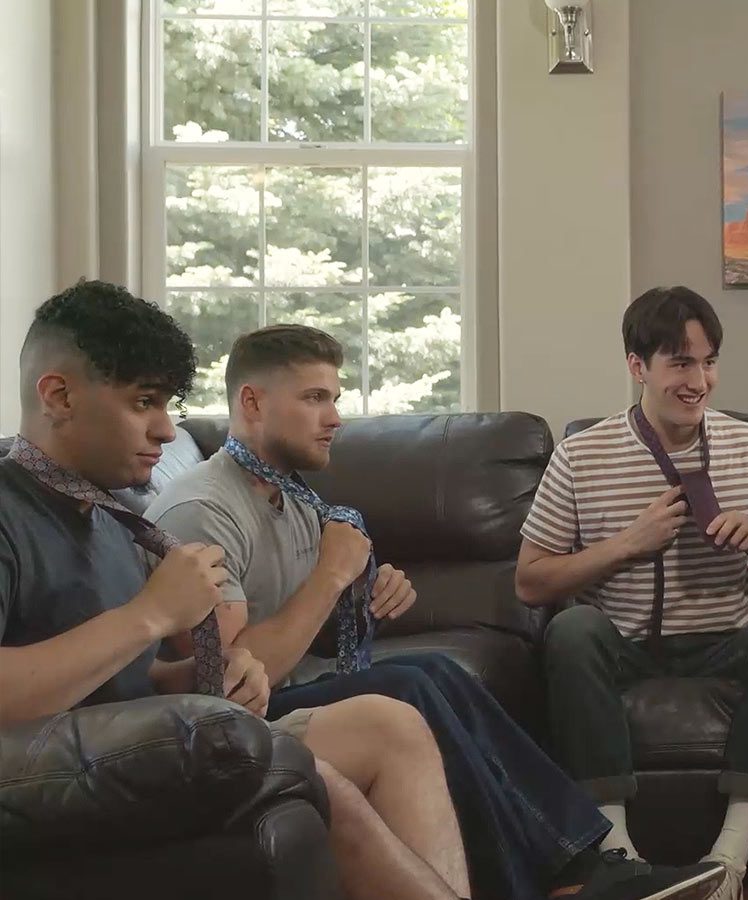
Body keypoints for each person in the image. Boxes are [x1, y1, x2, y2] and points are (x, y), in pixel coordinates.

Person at [147, 323, 725, 900]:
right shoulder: (204, 510)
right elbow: (228, 679)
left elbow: (301, 625)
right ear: (252, 401)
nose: (335, 419)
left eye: (335, 398)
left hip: (302, 686)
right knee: (413, 685)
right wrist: (330, 577)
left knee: (436, 672)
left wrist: (360, 599)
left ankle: (584, 865)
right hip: (245, 718)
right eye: (314, 398)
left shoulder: (291, 496)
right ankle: (572, 880)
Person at [0, 281, 469, 900]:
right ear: (58, 395)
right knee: (321, 784)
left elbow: (115, 683)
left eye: (168, 405)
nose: (167, 431)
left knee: (388, 724)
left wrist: (207, 674)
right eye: (144, 403)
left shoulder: (109, 519)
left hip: (132, 743)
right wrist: (149, 615)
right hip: (41, 776)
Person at [517, 286, 748, 900]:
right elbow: (530, 580)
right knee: (571, 631)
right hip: (623, 643)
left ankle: (728, 863)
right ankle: (619, 858)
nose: (699, 380)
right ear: (638, 367)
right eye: (680, 363)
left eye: (708, 362)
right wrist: (626, 544)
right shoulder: (583, 454)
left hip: (728, 640)